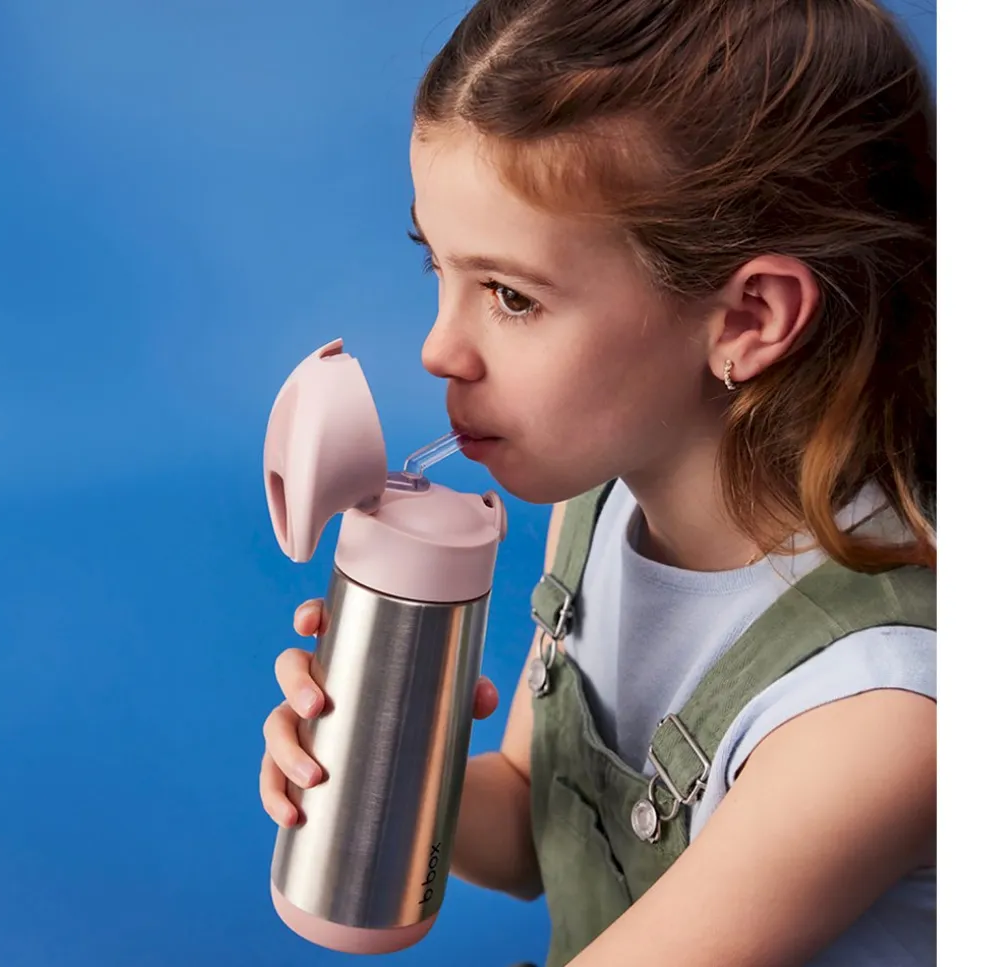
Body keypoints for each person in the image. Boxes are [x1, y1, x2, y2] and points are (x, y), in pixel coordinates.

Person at [259, 1, 937, 964]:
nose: (437, 349)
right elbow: (532, 829)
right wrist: (380, 754)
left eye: (511, 295)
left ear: (750, 317)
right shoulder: (600, 504)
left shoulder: (874, 714)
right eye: (437, 266)